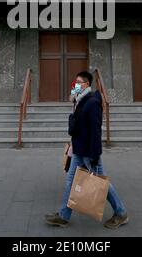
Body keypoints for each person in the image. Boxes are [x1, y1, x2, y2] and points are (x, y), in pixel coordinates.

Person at [45, 70, 129, 229]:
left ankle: (121, 212)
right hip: (78, 149)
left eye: (78, 83)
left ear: (87, 84)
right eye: (74, 83)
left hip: (88, 153)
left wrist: (95, 156)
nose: (75, 86)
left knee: (100, 183)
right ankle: (63, 215)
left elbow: (95, 131)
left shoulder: (92, 103)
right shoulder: (80, 100)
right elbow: (77, 121)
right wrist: (74, 98)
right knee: (71, 181)